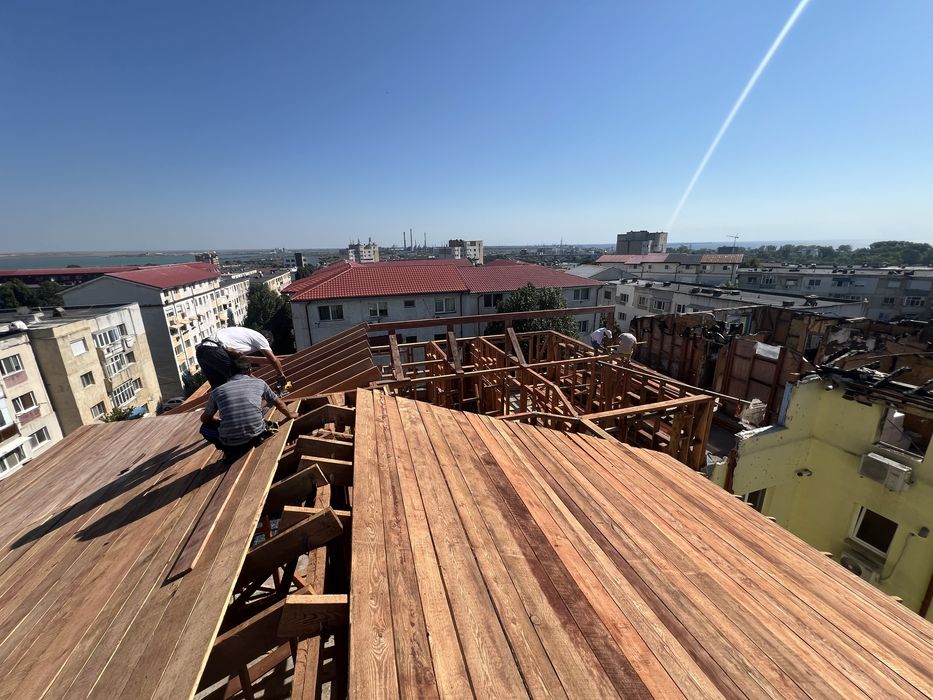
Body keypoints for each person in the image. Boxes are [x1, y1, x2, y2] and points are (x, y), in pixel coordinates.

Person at [200, 358, 298, 463]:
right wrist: (290, 414)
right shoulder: (260, 383)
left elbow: (205, 419)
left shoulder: (217, 391)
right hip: (257, 435)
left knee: (204, 429)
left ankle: (228, 451)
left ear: (229, 373)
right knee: (261, 420)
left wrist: (216, 419)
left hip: (232, 443)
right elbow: (278, 403)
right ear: (250, 371)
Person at [196, 326, 288, 390]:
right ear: (267, 340)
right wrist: (281, 375)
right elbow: (273, 359)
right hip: (215, 350)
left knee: (219, 388)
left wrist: (253, 378)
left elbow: (244, 359)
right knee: (240, 380)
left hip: (202, 350)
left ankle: (220, 414)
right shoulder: (261, 338)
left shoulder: (242, 337)